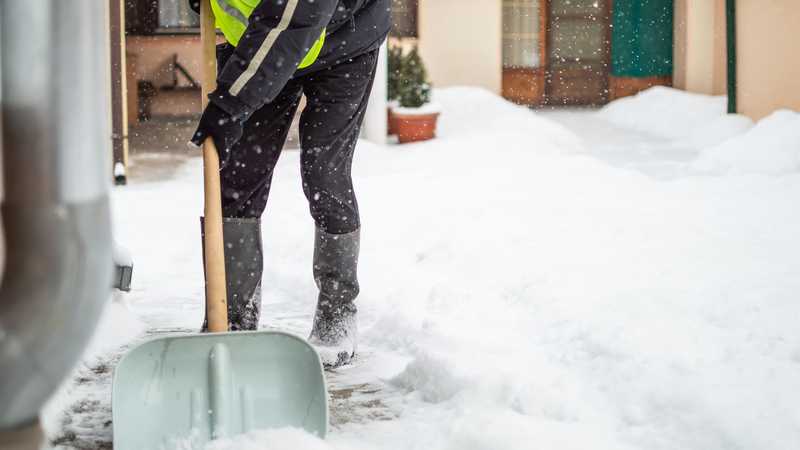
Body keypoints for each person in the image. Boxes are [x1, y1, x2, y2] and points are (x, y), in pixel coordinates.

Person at [189, 0, 390, 368]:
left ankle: (337, 311)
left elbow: (296, 18)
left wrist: (230, 103)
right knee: (237, 178)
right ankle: (232, 316)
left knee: (324, 175)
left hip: (343, 41)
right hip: (261, 39)